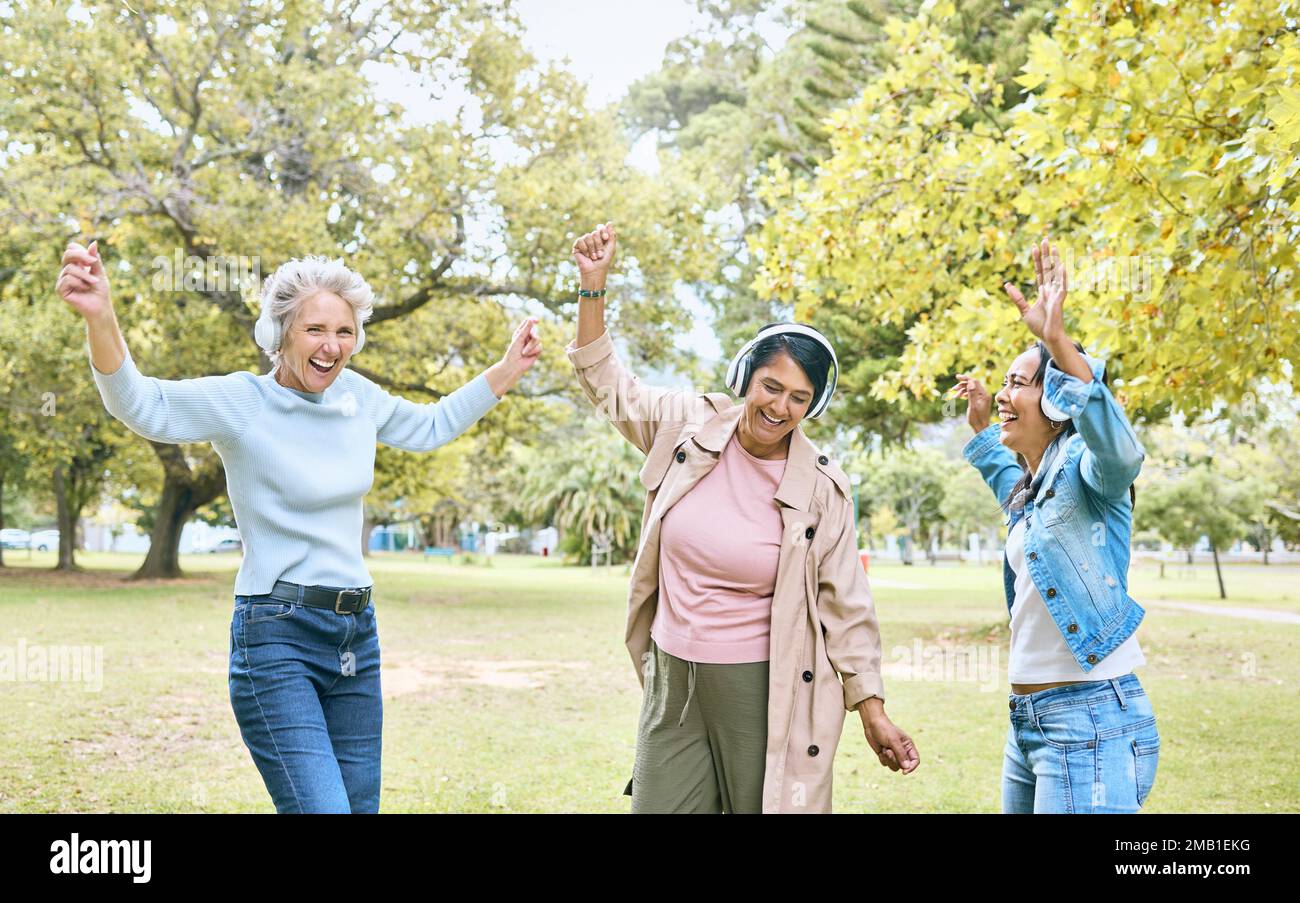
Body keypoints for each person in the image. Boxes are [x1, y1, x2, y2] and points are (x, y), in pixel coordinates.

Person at [59, 240, 541, 813]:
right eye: (315, 329)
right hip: (276, 636)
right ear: (279, 332)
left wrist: (507, 369)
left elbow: (432, 424)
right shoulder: (243, 401)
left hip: (355, 635)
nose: (331, 346)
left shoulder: (357, 397)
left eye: (344, 332)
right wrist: (101, 315)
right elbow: (141, 404)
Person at [566, 223, 918, 814]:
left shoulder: (823, 488)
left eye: (799, 398)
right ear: (745, 379)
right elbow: (608, 387)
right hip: (672, 679)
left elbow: (845, 602)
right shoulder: (684, 427)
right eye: (771, 387)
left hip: (762, 687)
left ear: (813, 406)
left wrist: (872, 710)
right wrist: (593, 287)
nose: (780, 407)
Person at [953, 238, 1159, 814]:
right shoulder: (1035, 488)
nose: (1003, 391)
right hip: (1028, 721)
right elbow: (1008, 485)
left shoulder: (1092, 473)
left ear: (1060, 402)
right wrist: (979, 433)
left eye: (1019, 382)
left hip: (1088, 716)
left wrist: (1056, 341)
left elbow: (1121, 453)